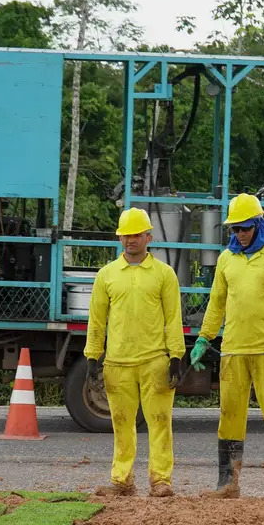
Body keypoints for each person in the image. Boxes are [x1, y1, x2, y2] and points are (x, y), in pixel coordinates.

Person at [190, 193, 264, 499]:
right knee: (229, 415)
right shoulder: (227, 259)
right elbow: (216, 304)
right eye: (235, 229)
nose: (240, 234)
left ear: (259, 223)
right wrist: (204, 337)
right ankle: (227, 483)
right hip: (233, 351)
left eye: (245, 227)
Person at [84, 208, 186, 498]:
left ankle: (161, 479)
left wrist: (176, 356)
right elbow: (97, 319)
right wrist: (93, 357)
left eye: (136, 235)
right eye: (125, 235)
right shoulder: (106, 276)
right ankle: (122, 480)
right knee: (121, 424)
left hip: (154, 360)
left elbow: (172, 318)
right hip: (117, 362)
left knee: (160, 422)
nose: (130, 240)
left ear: (148, 237)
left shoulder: (164, 275)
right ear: (120, 239)